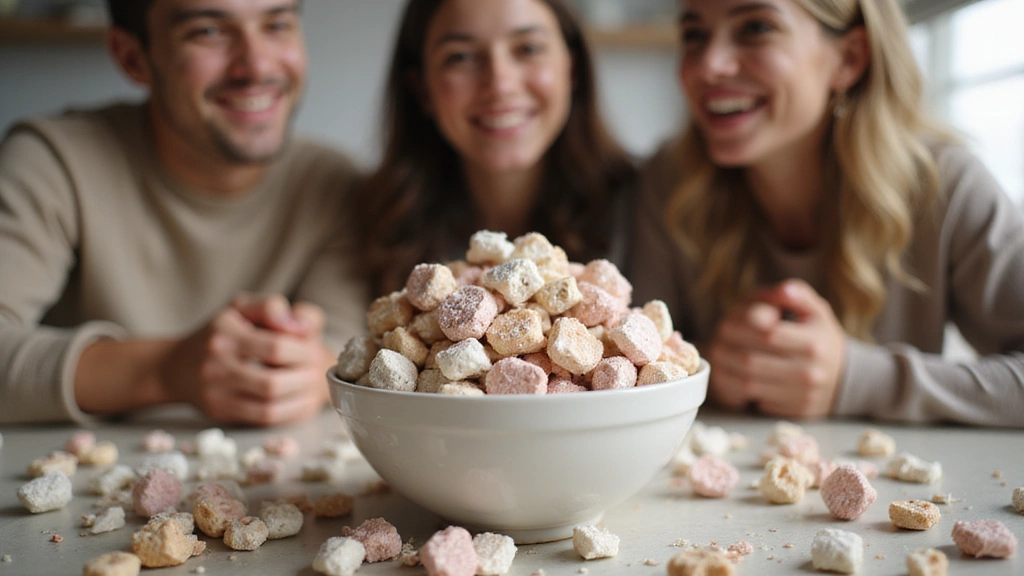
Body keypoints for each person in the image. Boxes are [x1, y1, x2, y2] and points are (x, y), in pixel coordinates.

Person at [630, 0, 1024, 426]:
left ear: (849, 58)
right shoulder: (668, 185)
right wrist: (710, 366)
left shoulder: (946, 185)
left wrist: (857, 379)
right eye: (694, 35)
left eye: (756, 27)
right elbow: (626, 368)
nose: (709, 66)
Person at [0, 0, 367, 426]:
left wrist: (306, 367)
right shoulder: (52, 163)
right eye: (208, 31)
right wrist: (165, 370)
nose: (256, 65)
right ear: (132, 57)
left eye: (277, 24)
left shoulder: (336, 186)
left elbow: (341, 353)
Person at [359, 0, 636, 296]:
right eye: (461, 57)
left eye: (528, 49)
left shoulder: (646, 207)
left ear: (573, 68)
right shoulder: (363, 221)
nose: (500, 84)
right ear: (421, 87)